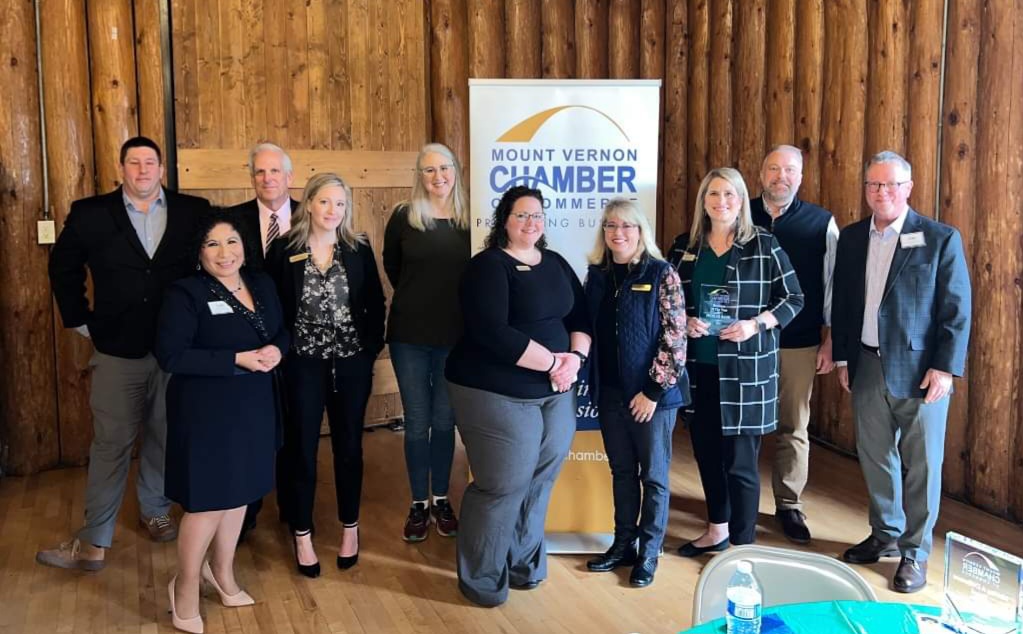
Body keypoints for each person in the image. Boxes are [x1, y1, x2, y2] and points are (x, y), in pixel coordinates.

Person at [40, 136, 210, 571]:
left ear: (161, 170)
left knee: (165, 435)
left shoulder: (194, 211)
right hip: (117, 349)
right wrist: (80, 319)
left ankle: (154, 508)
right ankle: (95, 539)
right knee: (111, 443)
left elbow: (215, 265)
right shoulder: (91, 213)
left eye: (149, 162)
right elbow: (63, 266)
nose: (142, 170)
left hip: (177, 350)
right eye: (133, 163)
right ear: (121, 169)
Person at [445, 185, 591, 606]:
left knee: (541, 479)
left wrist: (575, 360)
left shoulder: (557, 263)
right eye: (522, 215)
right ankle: (482, 578)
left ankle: (524, 564)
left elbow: (580, 316)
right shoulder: (488, 266)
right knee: (502, 483)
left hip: (556, 389)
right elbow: (491, 332)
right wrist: (552, 363)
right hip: (494, 390)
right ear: (504, 221)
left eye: (538, 215)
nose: (532, 222)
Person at [834, 151, 971, 593]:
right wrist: (842, 357)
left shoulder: (938, 238)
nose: (881, 193)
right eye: (873, 185)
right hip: (867, 363)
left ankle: (915, 552)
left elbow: (956, 311)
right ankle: (885, 533)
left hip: (920, 372)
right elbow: (844, 304)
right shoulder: (853, 238)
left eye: (891, 185)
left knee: (923, 465)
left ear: (907, 188)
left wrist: (945, 369)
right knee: (875, 456)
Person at [154, 213, 288, 633]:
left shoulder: (262, 283)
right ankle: (186, 587)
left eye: (232, 242)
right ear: (199, 253)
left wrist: (276, 351)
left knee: (241, 494)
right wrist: (237, 359)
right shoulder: (185, 293)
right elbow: (172, 355)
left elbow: (281, 330)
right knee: (208, 502)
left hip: (253, 403)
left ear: (245, 246)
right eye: (212, 244)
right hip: (206, 410)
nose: (224, 252)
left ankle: (222, 572)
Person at [668, 167, 803, 557]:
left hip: (746, 369)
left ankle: (743, 548)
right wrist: (685, 319)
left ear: (742, 201)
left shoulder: (764, 245)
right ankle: (716, 531)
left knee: (741, 465)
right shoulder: (685, 246)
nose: (721, 201)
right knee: (707, 455)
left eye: (729, 194)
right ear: (703, 201)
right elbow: (671, 301)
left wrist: (755, 324)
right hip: (699, 367)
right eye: (713, 194)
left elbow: (794, 299)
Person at [265, 172, 385, 578]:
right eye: (325, 202)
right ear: (309, 205)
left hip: (351, 363)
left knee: (349, 447)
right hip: (303, 364)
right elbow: (273, 308)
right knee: (300, 449)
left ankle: (350, 529)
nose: (333, 211)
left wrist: (369, 351)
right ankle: (302, 533)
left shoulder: (357, 248)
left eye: (340, 204)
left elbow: (374, 301)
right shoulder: (284, 250)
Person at [582, 199, 688, 588]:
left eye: (627, 226)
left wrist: (652, 391)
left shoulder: (662, 273)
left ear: (641, 231)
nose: (618, 233)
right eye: (611, 226)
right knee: (622, 472)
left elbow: (675, 339)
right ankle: (623, 544)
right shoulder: (597, 276)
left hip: (651, 398)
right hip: (610, 392)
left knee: (655, 477)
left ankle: (649, 552)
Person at [750, 145, 839, 544]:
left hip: (799, 342)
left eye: (789, 170)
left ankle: (788, 503)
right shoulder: (737, 211)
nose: (780, 176)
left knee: (793, 426)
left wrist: (830, 339)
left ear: (800, 177)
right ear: (761, 173)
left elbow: (834, 284)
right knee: (743, 425)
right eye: (773, 169)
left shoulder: (822, 223)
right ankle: (740, 499)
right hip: (744, 342)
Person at [383, 143, 471, 543]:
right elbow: (392, 267)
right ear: (419, 175)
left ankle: (441, 499)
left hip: (456, 338)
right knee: (417, 423)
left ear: (456, 170)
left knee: (444, 421)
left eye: (445, 168)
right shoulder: (404, 217)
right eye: (429, 170)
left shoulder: (472, 220)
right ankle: (419, 502)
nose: (438, 177)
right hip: (410, 338)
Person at [225, 142, 299, 541]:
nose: (267, 179)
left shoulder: (312, 213)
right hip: (250, 343)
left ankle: (292, 506)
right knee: (252, 429)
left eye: (275, 172)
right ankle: (247, 510)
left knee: (296, 426)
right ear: (251, 177)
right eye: (259, 172)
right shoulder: (231, 220)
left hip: (301, 342)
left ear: (289, 177)